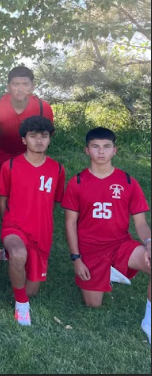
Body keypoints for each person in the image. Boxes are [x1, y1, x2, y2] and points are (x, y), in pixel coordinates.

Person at [62, 127, 151, 344]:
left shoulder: (128, 182)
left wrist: (149, 242)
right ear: (87, 150)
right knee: (93, 304)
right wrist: (76, 259)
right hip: (90, 250)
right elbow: (70, 223)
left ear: (114, 150)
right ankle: (108, 273)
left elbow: (140, 223)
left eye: (106, 147)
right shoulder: (77, 182)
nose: (101, 152)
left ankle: (148, 321)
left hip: (120, 244)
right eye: (95, 146)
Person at [0, 116, 65, 326]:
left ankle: (11, 258)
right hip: (14, 227)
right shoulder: (10, 166)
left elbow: (53, 202)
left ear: (50, 138)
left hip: (41, 232)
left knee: (32, 289)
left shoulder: (57, 169)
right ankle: (21, 304)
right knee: (18, 254)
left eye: (44, 136)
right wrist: (8, 223)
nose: (39, 140)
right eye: (33, 136)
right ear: (24, 140)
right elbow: (1, 199)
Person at [0, 66, 54, 231]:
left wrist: (38, 165)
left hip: (28, 154)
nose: (20, 89)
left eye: (25, 84)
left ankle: (28, 226)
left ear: (32, 86)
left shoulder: (43, 108)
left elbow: (44, 139)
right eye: (15, 84)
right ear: (8, 86)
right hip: (1, 153)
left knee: (26, 193)